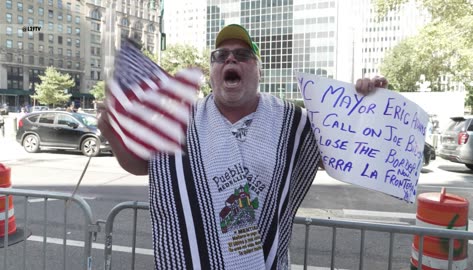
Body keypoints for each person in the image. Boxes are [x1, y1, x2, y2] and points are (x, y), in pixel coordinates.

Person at [97, 24, 388, 269]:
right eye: (220, 55)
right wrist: (110, 131)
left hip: (264, 260)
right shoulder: (180, 120)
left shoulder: (292, 123)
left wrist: (368, 105)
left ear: (258, 70)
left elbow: (345, 152)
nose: (230, 60)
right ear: (212, 72)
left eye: (242, 55)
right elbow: (142, 166)